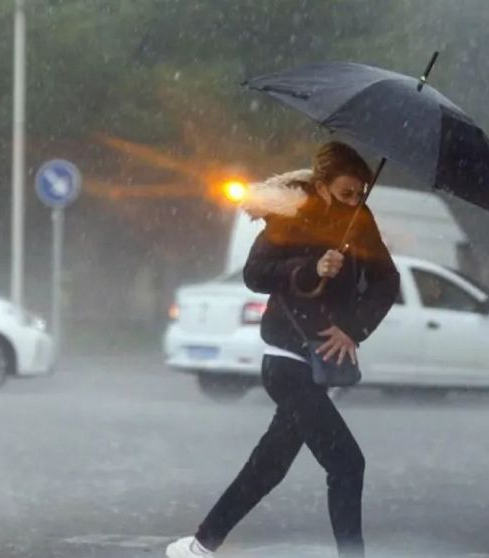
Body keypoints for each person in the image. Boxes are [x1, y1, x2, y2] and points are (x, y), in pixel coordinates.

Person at [165, 142, 400, 558]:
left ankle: (199, 546)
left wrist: (352, 328)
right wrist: (312, 268)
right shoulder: (292, 215)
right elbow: (256, 274)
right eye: (346, 193)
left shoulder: (360, 222)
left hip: (322, 363)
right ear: (324, 187)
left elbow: (387, 281)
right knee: (347, 463)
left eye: (360, 193)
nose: (354, 201)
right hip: (286, 363)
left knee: (268, 467)